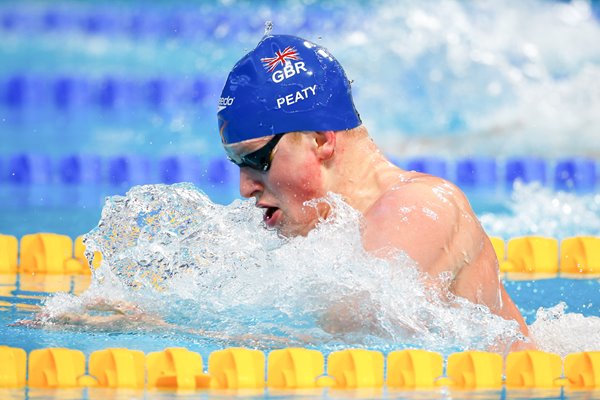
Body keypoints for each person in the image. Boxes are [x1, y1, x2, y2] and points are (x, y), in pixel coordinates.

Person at [217, 34, 531, 346]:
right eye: (236, 162)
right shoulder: (334, 231)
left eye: (256, 158)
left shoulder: (421, 207)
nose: (245, 187)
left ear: (321, 141)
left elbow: (349, 337)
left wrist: (191, 331)